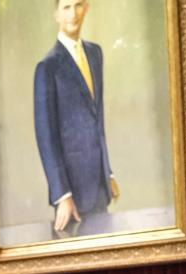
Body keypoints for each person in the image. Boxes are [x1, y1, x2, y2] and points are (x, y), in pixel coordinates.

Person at [34, 0, 119, 234]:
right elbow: (46, 137)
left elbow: (96, 120)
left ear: (87, 8)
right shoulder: (47, 67)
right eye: (66, 7)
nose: (73, 14)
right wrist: (62, 195)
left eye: (78, 5)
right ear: (56, 15)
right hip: (72, 193)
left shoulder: (95, 54)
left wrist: (107, 171)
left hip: (100, 186)